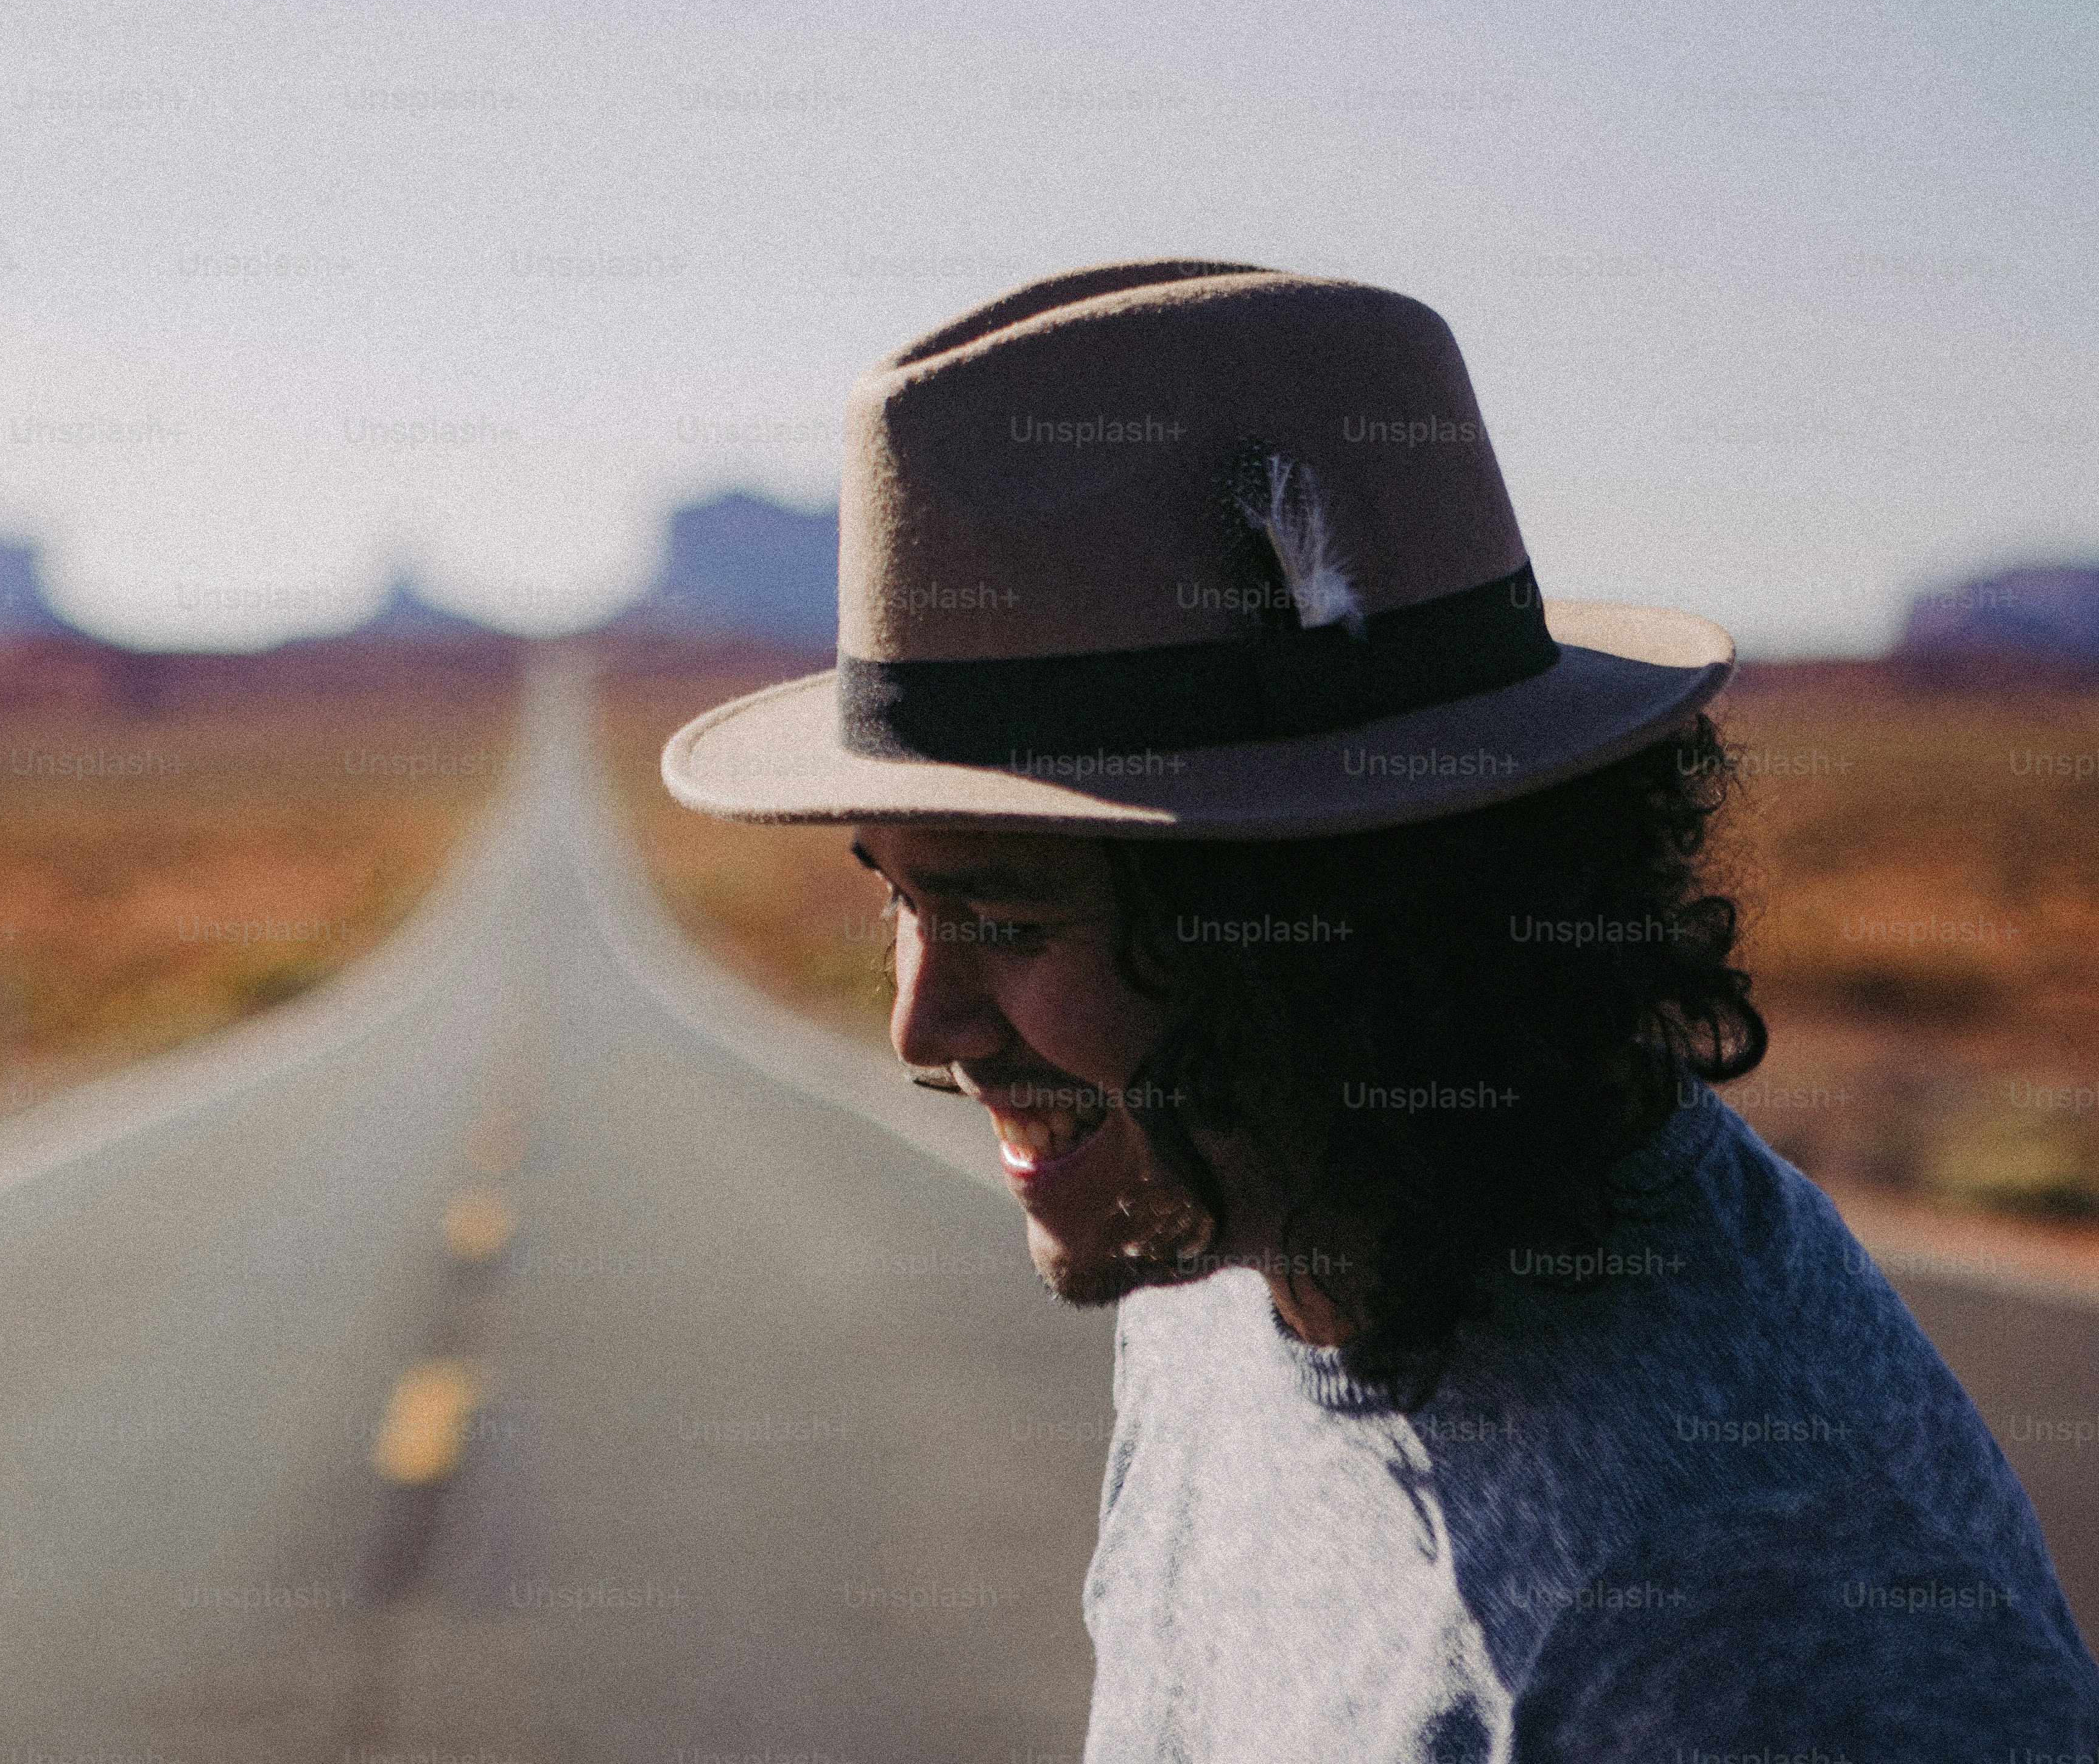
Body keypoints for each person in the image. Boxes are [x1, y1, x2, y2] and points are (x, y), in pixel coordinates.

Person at [661, 259, 2099, 1761]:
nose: (920, 1024)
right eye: (897, 896)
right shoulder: (1246, 1221)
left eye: (1010, 918)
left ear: (1344, 917)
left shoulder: (1750, 1619)